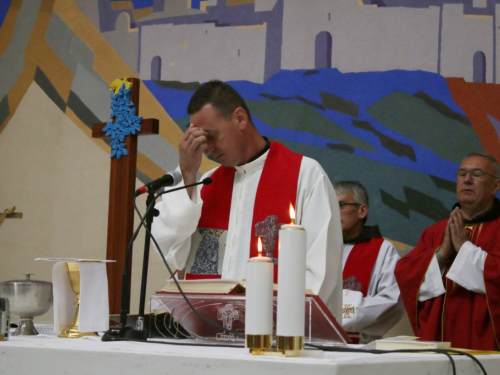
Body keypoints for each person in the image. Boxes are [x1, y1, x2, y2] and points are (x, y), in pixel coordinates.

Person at [151, 80, 344, 322]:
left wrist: (272, 324)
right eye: (199, 139)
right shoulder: (207, 183)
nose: (207, 148)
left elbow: (320, 272)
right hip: (211, 334)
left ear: (240, 118)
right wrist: (188, 175)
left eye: (210, 136)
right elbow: (173, 254)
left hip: (279, 339)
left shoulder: (305, 175)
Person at [395, 152, 500, 350]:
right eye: (462, 174)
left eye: (477, 174)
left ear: (495, 186)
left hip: (486, 343)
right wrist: (441, 255)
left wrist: (465, 249)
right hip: (437, 341)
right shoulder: (435, 231)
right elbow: (405, 274)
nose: (467, 180)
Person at [334, 181, 404, 344]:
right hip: (318, 342)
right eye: (330, 205)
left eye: (341, 205)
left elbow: (391, 302)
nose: (334, 212)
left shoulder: (383, 250)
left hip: (360, 347)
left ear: (362, 210)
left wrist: (337, 313)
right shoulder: (322, 247)